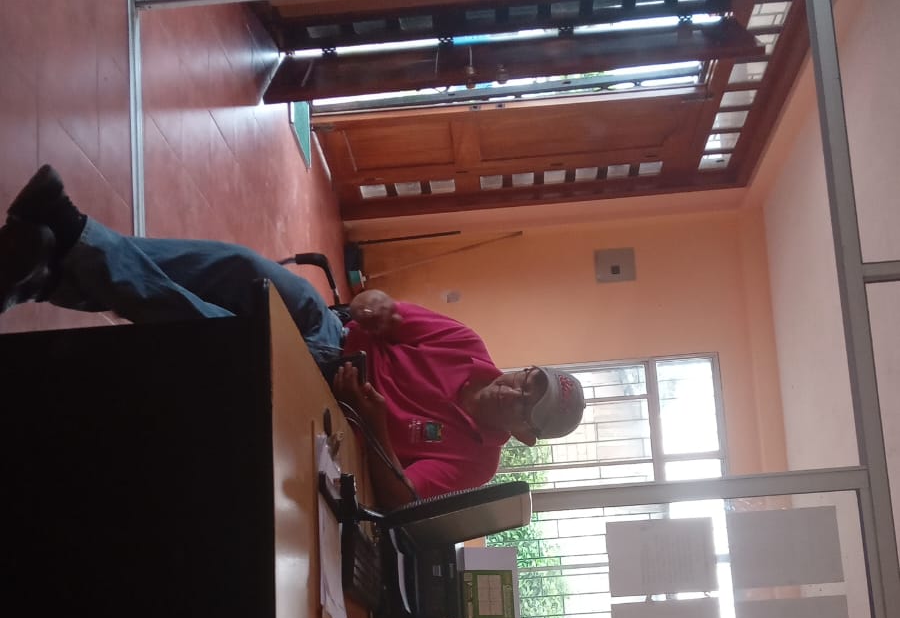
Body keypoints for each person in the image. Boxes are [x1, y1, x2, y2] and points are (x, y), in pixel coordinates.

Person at [0, 165, 586, 507]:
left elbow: (399, 498)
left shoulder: (475, 464)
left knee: (223, 334)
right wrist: (376, 306)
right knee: (241, 267)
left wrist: (377, 425)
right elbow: (385, 314)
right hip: (331, 330)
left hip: (325, 400)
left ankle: (65, 244)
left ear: (526, 436)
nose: (514, 388)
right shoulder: (467, 346)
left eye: (527, 403)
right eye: (528, 378)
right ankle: (50, 267)